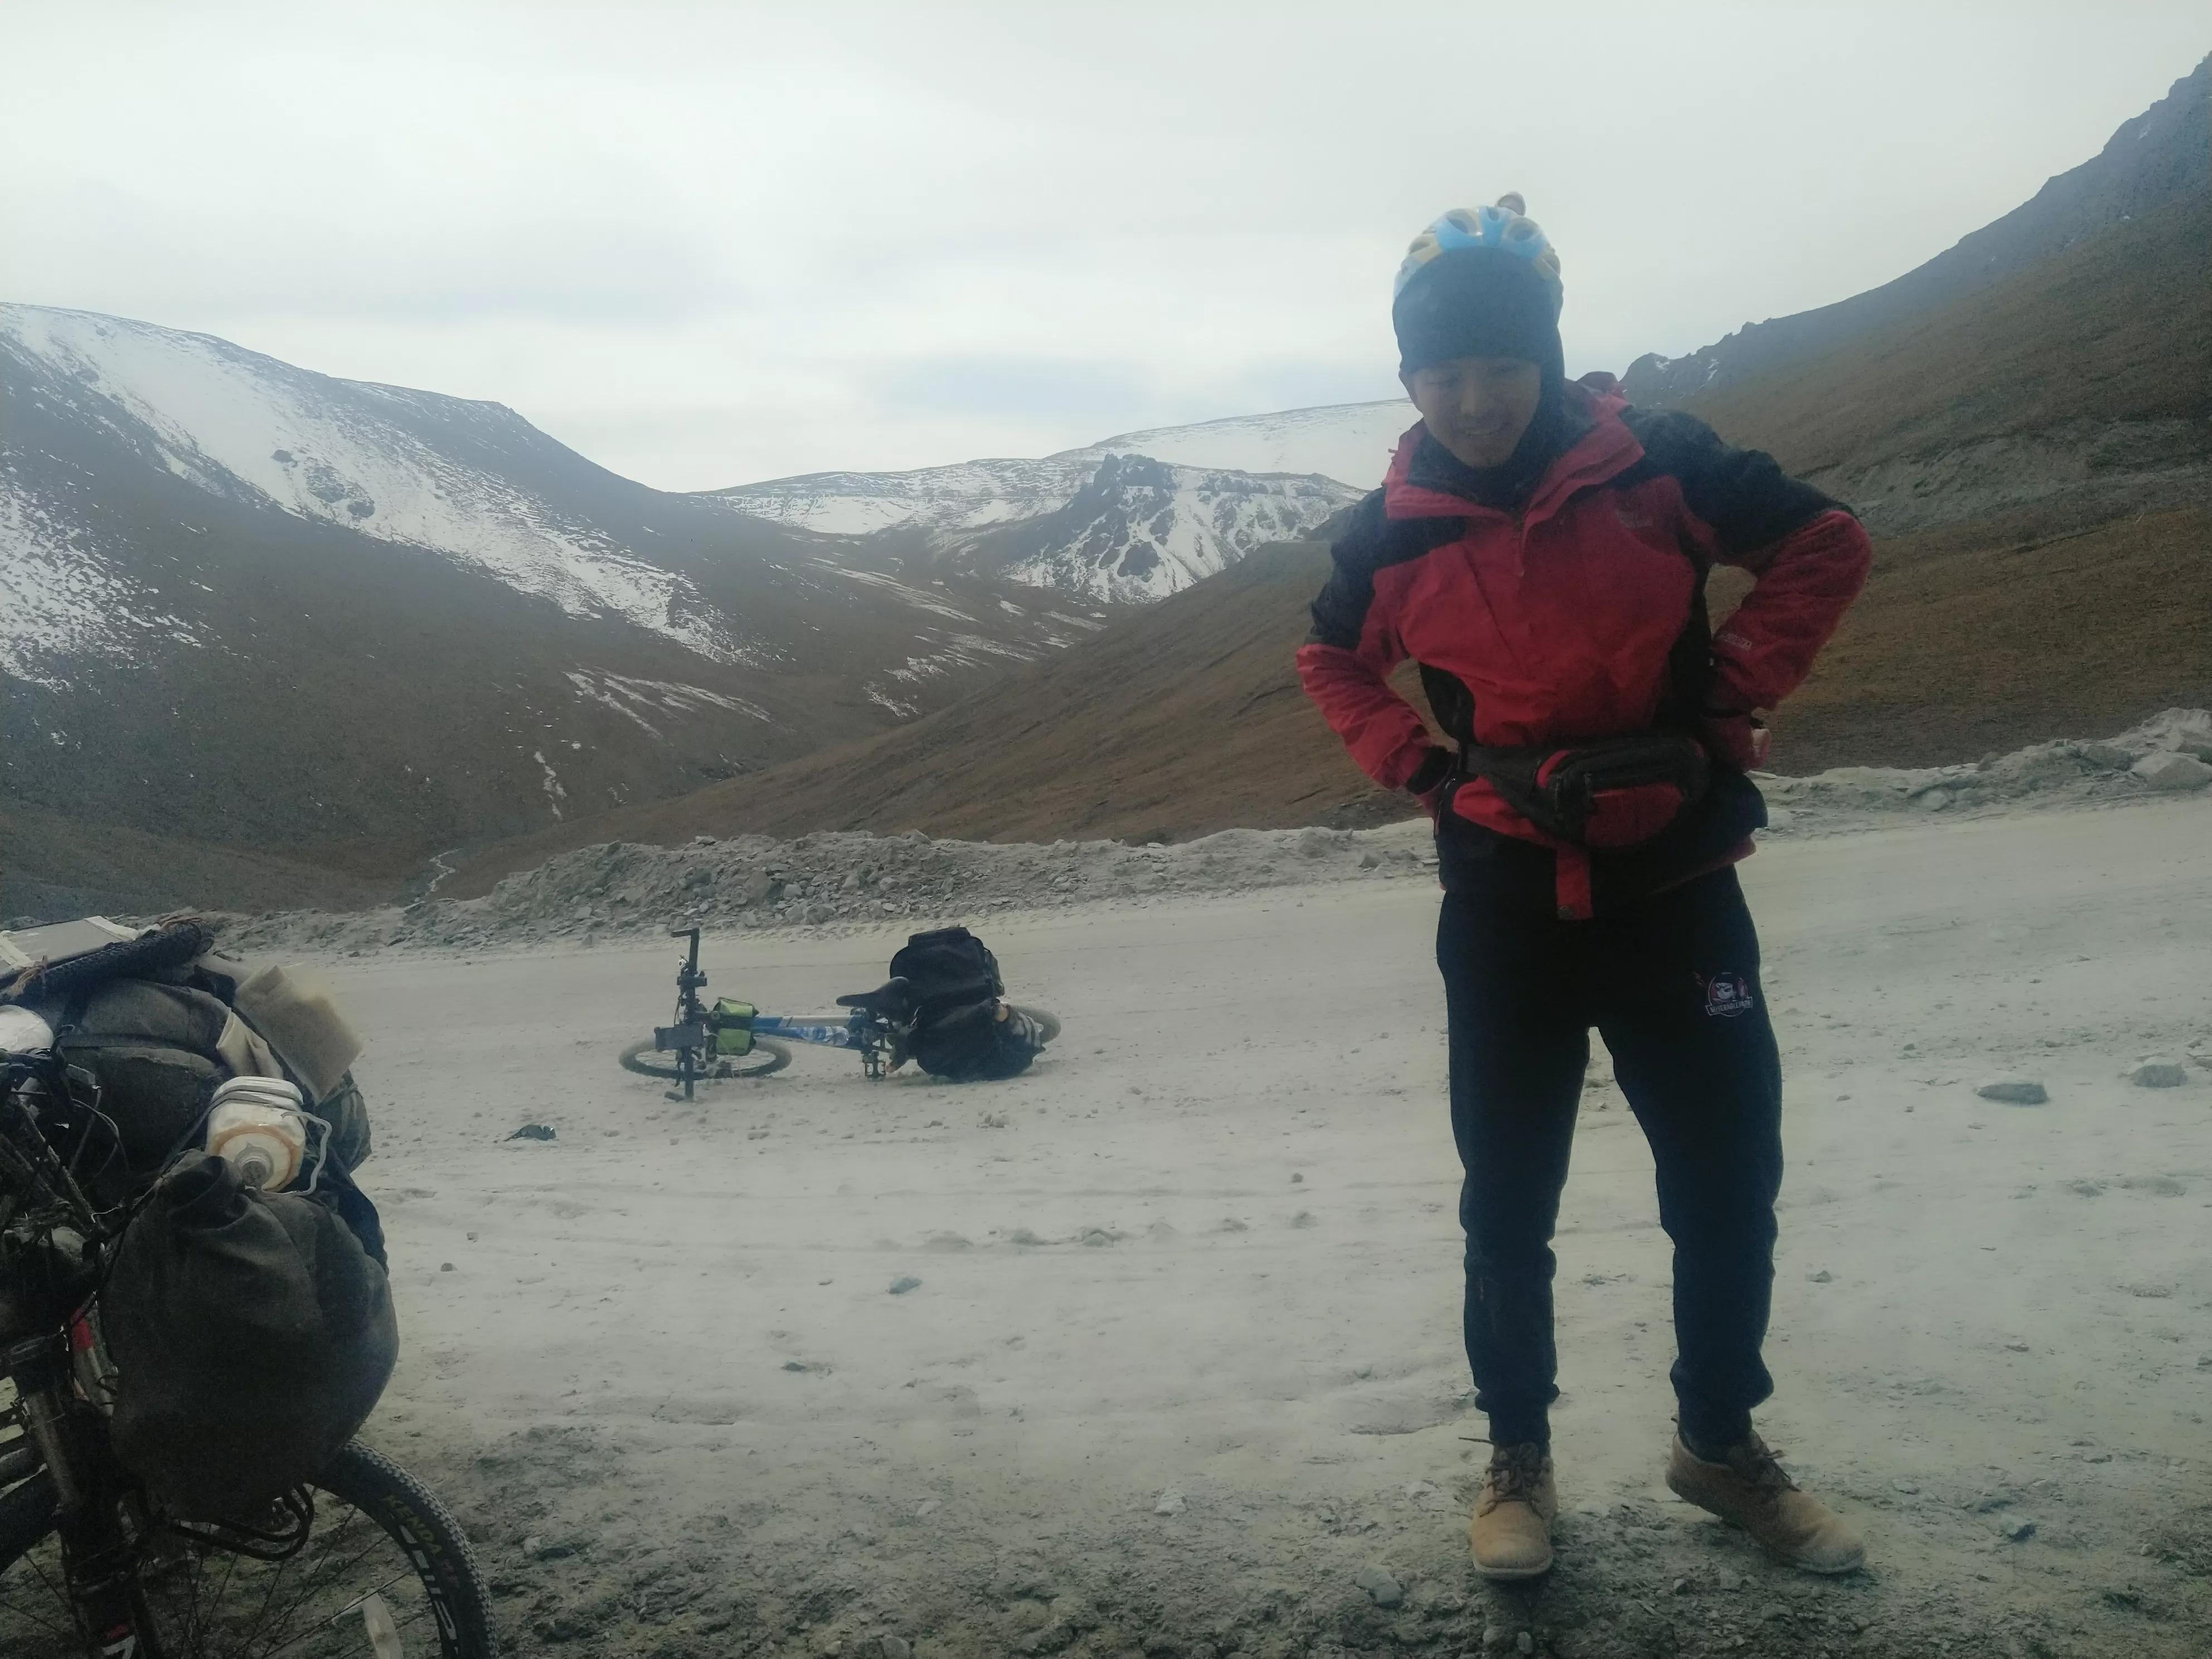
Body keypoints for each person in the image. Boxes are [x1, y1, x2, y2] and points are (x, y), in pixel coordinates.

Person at [1296, 198, 1872, 1580]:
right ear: (1408, 381)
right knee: (1507, 1202)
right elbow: (1330, 660)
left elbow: (1824, 542)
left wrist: (1731, 697)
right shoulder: (1387, 531)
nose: (1476, 398)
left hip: (1675, 886)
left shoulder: (1655, 463)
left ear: (1547, 358)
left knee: (1729, 1182)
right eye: (1443, 375)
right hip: (1503, 904)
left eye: (1500, 367)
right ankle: (1516, 1462)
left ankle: (1718, 1447)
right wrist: (1421, 772)